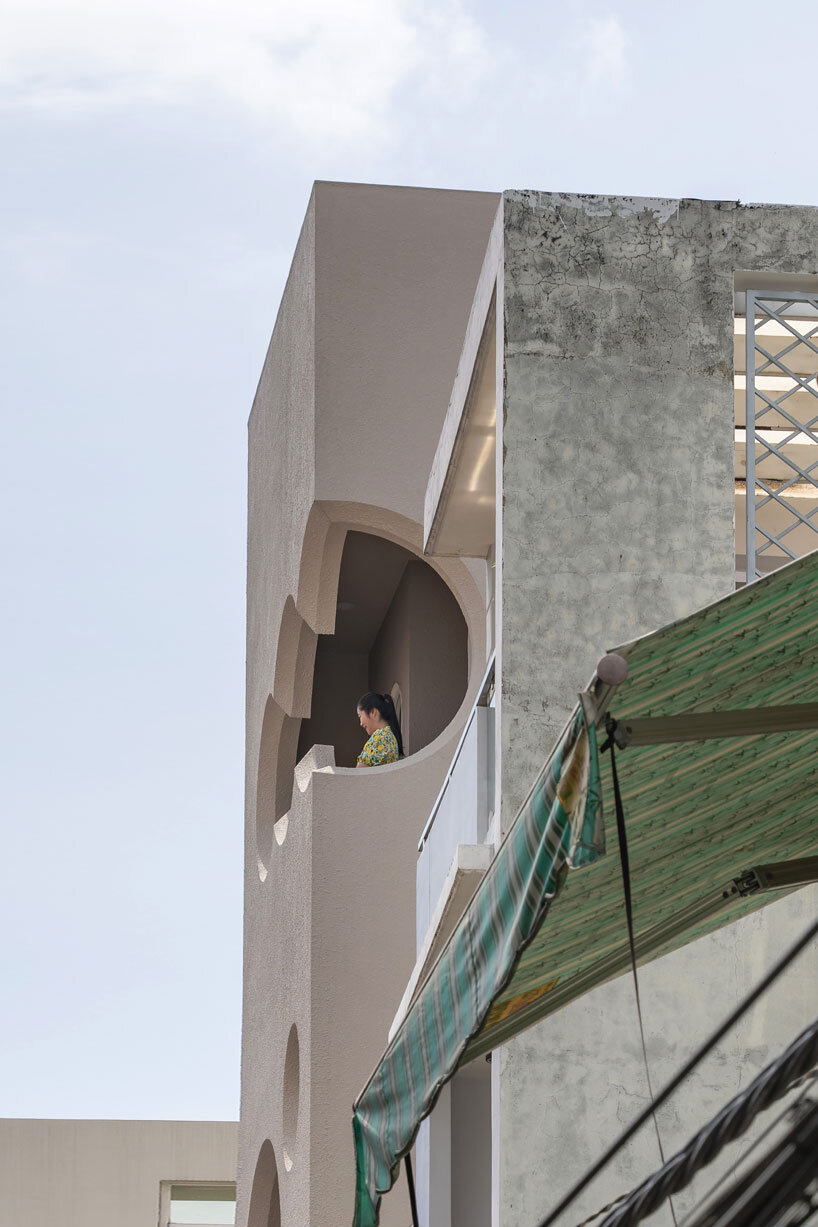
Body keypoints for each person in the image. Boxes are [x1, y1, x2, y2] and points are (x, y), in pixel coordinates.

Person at [356, 692, 403, 767]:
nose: (361, 723)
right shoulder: (390, 737)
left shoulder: (380, 738)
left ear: (373, 712)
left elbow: (359, 774)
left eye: (360, 716)